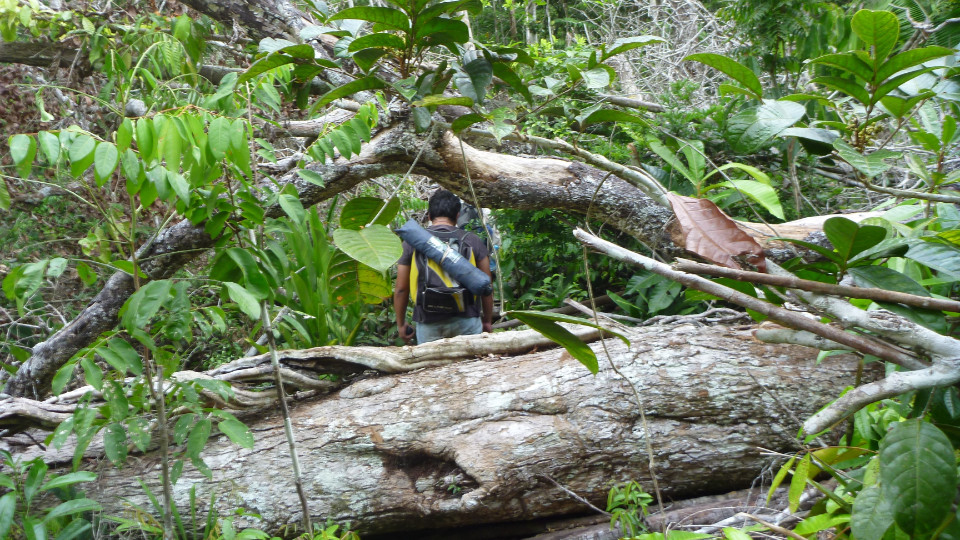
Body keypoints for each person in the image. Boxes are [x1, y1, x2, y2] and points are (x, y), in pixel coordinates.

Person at [394, 190, 494, 344]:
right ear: (457, 216)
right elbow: (486, 285)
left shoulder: (411, 243)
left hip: (428, 321)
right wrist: (487, 320)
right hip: (467, 319)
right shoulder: (472, 241)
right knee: (471, 366)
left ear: (429, 216)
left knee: (432, 368)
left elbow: (401, 288)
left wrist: (401, 324)